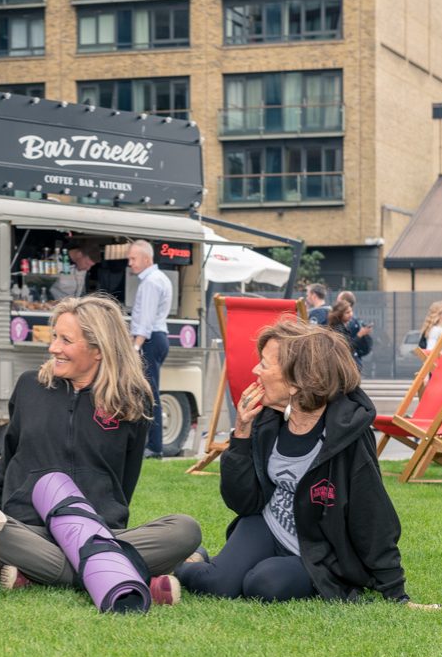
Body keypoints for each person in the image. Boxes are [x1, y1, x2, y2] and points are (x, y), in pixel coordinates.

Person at [175, 320, 415, 605]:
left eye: (264, 364)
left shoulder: (346, 434)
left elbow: (372, 514)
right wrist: (241, 433)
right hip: (265, 524)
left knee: (264, 584)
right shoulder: (266, 419)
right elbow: (242, 502)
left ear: (296, 380)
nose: (255, 371)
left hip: (318, 548)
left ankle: (242, 566)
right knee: (217, 584)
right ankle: (186, 560)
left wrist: (395, 592)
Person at [0, 294, 201, 603]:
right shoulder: (29, 386)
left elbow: (125, 482)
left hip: (98, 533)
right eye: (54, 336)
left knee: (185, 530)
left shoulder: (131, 400)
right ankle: (122, 573)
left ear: (97, 350)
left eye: (65, 340)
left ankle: (42, 572)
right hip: (30, 530)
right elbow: (10, 457)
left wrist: (96, 530)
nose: (53, 348)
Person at [127, 239, 172, 458]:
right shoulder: (158, 278)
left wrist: (135, 347)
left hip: (149, 339)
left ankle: (154, 447)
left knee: (149, 394)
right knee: (149, 391)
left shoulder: (151, 282)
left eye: (133, 258)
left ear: (146, 258)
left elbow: (145, 320)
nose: (130, 263)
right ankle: (152, 444)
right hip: (157, 337)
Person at [328, 298, 371, 370]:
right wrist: (360, 335)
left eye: (351, 311)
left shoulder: (343, 326)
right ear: (339, 315)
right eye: (347, 313)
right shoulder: (338, 328)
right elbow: (347, 347)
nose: (351, 314)